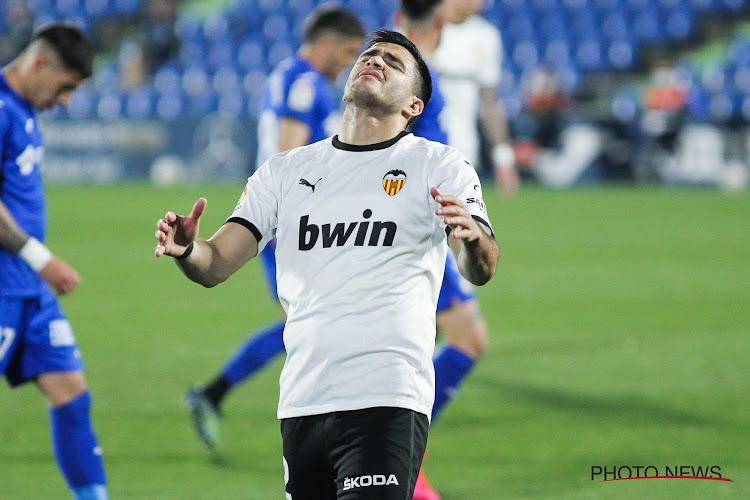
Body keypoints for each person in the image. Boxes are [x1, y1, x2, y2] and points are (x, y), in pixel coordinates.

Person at [155, 28, 499, 499]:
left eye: (393, 63)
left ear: (413, 107)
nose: (374, 61)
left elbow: (479, 267)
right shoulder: (284, 172)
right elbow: (214, 265)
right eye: (369, 55)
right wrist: (188, 250)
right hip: (303, 403)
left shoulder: (438, 166)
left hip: (388, 397)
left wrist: (473, 237)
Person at [183, 4, 366, 450]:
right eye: (345, 52)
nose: (348, 63)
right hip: (292, 226)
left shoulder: (291, 76)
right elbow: (290, 153)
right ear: (324, 43)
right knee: (313, 326)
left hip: (287, 221)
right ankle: (334, 428)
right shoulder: (304, 84)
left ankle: (214, 394)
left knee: (307, 325)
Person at [0, 23, 109, 500]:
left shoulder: (22, 110)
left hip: (29, 293)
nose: (65, 101)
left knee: (71, 394)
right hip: (5, 286)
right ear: (39, 63)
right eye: (65, 87)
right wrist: (40, 258)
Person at [396, 1, 490, 498]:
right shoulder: (411, 68)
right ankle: (399, 453)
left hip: (424, 217)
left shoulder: (397, 58)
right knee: (467, 340)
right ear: (441, 15)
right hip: (424, 222)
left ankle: (397, 453)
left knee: (415, 344)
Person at [432, 0, 520, 197]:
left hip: (463, 149)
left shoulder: (486, 36)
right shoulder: (420, 27)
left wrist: (503, 159)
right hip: (420, 144)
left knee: (453, 221)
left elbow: (489, 102)